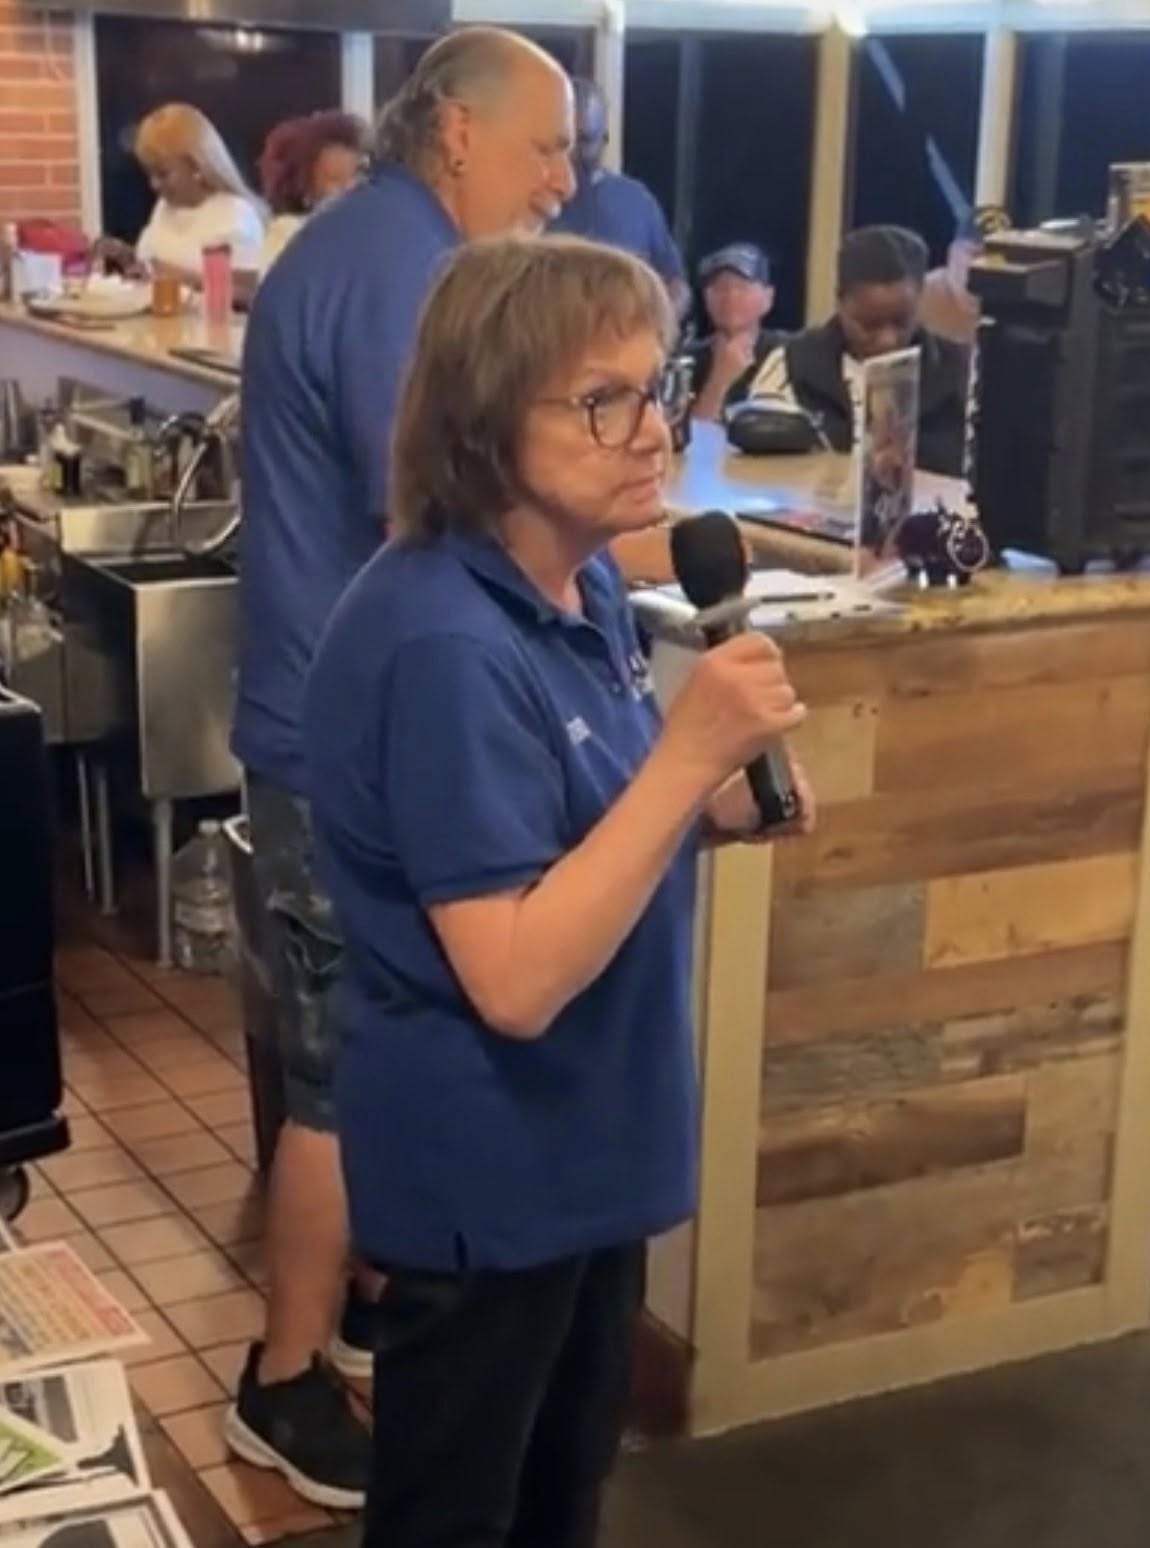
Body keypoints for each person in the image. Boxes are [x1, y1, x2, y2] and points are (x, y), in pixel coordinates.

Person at [303, 233, 814, 1548]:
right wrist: (686, 757)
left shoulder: (576, 585)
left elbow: (573, 834)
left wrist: (707, 805)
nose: (653, 430)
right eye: (602, 399)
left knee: (558, 1505)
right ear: (482, 424)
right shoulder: (442, 642)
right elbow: (517, 978)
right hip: (490, 1177)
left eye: (658, 385)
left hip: (586, 1151)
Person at [225, 27, 576, 1510]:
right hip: (341, 743)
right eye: (548, 147)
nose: (562, 183)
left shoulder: (367, 244)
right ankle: (283, 1378)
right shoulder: (408, 274)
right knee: (339, 1078)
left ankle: (366, 1306)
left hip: (325, 722)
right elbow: (433, 506)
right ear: (458, 135)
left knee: (373, 1052)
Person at [745, 224, 968, 476]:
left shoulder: (960, 372)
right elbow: (754, 462)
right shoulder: (793, 362)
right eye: (869, 325)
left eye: (901, 322)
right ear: (840, 303)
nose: (887, 340)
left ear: (919, 301)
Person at [550, 77, 690, 318]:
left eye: (584, 140)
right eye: (564, 141)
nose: (573, 153)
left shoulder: (635, 201)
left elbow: (676, 283)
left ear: (603, 141)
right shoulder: (523, 197)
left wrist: (656, 323)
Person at [98, 104, 265, 285]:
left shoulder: (233, 215)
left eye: (163, 174)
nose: (154, 184)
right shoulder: (164, 207)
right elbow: (154, 265)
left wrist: (167, 274)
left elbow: (244, 291)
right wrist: (128, 258)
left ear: (196, 166)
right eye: (149, 173)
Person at [256, 111, 370, 277]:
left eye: (360, 174)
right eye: (335, 180)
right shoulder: (289, 235)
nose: (353, 189)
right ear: (305, 191)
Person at [690, 242, 786, 421]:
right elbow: (693, 436)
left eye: (742, 287)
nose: (730, 296)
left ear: (768, 298)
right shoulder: (687, 361)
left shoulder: (789, 354)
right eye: (720, 288)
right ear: (706, 297)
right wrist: (719, 380)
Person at [920, 204, 1010, 347]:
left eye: (995, 258)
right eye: (975, 255)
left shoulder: (1017, 309)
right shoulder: (917, 298)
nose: (985, 267)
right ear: (952, 253)